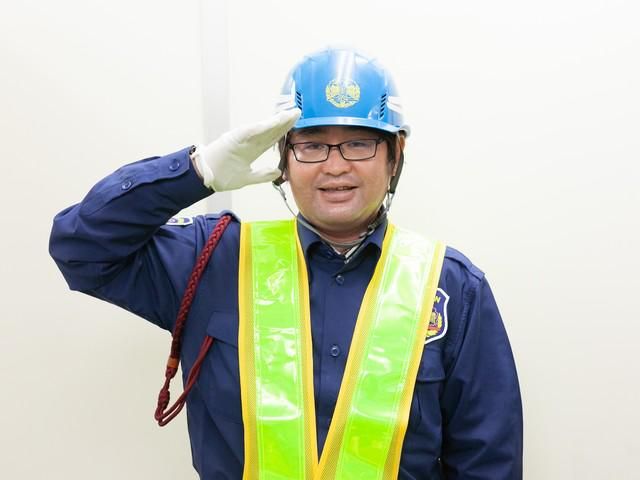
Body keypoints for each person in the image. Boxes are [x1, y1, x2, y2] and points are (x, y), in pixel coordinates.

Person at [49, 47, 523, 479]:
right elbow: (79, 247)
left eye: (359, 143)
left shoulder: (451, 287)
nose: (335, 166)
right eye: (311, 145)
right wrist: (196, 172)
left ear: (395, 156)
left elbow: (487, 463)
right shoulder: (212, 258)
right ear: (283, 155)